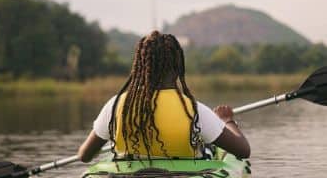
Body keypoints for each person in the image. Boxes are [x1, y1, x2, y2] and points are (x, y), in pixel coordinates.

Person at [78, 31, 250, 163]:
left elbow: (84, 156)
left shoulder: (115, 106)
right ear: (178, 67)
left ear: (140, 67)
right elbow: (243, 151)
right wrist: (227, 120)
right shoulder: (194, 111)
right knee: (208, 148)